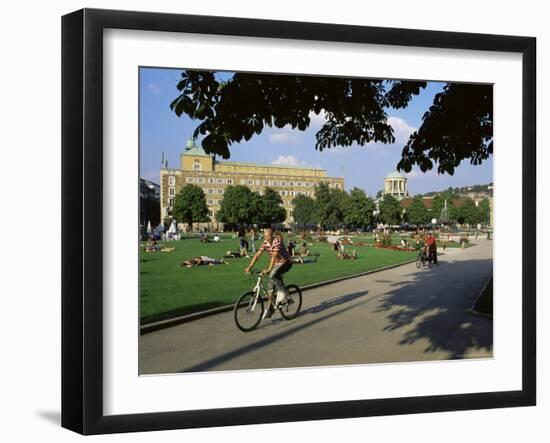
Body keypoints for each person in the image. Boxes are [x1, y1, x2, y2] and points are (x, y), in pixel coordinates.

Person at [245, 228, 292, 319]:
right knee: (270, 288)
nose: (267, 238)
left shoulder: (277, 241)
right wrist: (249, 267)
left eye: (268, 236)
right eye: (265, 236)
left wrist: (269, 269)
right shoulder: (265, 243)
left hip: (286, 262)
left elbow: (274, 256)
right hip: (277, 264)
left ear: (272, 235)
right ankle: (270, 309)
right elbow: (257, 255)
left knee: (272, 275)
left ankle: (283, 292)